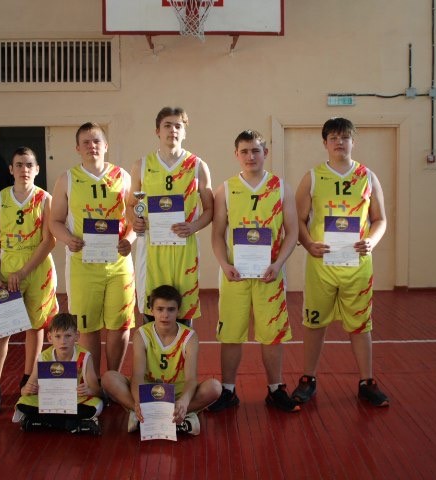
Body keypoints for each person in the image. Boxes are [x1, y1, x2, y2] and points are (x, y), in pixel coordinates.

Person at [290, 117, 390, 407]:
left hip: (357, 265)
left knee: (361, 324)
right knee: (314, 322)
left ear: (353, 142)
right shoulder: (312, 177)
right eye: (333, 138)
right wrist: (309, 243)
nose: (339, 142)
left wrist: (372, 240)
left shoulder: (367, 176)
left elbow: (380, 219)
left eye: (344, 137)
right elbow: (297, 220)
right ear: (325, 143)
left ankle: (367, 381)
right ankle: (308, 379)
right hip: (322, 265)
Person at [207, 130, 300, 414]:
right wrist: (224, 265)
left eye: (256, 151)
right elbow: (217, 234)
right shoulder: (225, 190)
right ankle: (228, 390)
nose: (250, 156)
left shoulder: (281, 188)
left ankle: (275, 389)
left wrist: (278, 264)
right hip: (235, 275)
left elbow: (292, 232)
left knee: (272, 334)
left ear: (265, 153)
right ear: (236, 155)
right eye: (245, 151)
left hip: (270, 274)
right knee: (231, 335)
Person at [49, 122, 135, 380]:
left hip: (118, 264)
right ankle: (94, 382)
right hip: (83, 265)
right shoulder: (67, 179)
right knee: (87, 327)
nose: (91, 146)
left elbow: (135, 219)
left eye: (96, 141)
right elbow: (55, 221)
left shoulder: (123, 177)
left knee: (120, 325)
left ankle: (113, 379)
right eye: (85, 142)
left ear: (106, 146)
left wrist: (129, 239)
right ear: (77, 148)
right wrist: (68, 239)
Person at [0, 147, 59, 415]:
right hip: (8, 267)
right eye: (19, 165)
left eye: (29, 165)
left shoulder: (45, 199)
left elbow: (49, 240)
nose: (24, 169)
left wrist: (25, 271)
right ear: (11, 169)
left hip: (37, 268)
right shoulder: (0, 199)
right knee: (2, 329)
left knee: (36, 327)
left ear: (37, 169)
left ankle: (28, 380)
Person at [128, 107, 213, 326]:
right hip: (151, 249)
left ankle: (183, 349)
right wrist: (134, 220)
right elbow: (131, 205)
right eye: (167, 125)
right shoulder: (141, 165)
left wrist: (193, 226)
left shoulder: (197, 166)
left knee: (182, 313)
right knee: (151, 314)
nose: (172, 130)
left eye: (178, 126)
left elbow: (210, 210)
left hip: (185, 249)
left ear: (184, 132)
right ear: (157, 131)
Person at [101, 285, 221, 436]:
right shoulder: (142, 335)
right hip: (148, 395)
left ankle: (174, 412)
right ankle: (143, 411)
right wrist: (139, 402)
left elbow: (191, 379)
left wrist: (184, 402)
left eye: (171, 309)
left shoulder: (189, 337)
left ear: (178, 311)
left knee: (215, 387)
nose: (165, 315)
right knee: (108, 378)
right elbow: (137, 375)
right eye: (160, 309)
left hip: (177, 395)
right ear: (151, 310)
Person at [13, 313, 103, 435]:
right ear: (50, 337)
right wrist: (28, 389)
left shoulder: (84, 357)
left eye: (68, 336)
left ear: (77, 336)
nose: (63, 341)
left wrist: (89, 391)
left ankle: (44, 421)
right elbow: (24, 391)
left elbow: (98, 391)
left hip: (76, 401)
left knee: (94, 405)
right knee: (23, 403)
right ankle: (71, 423)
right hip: (50, 401)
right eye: (58, 336)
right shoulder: (44, 357)